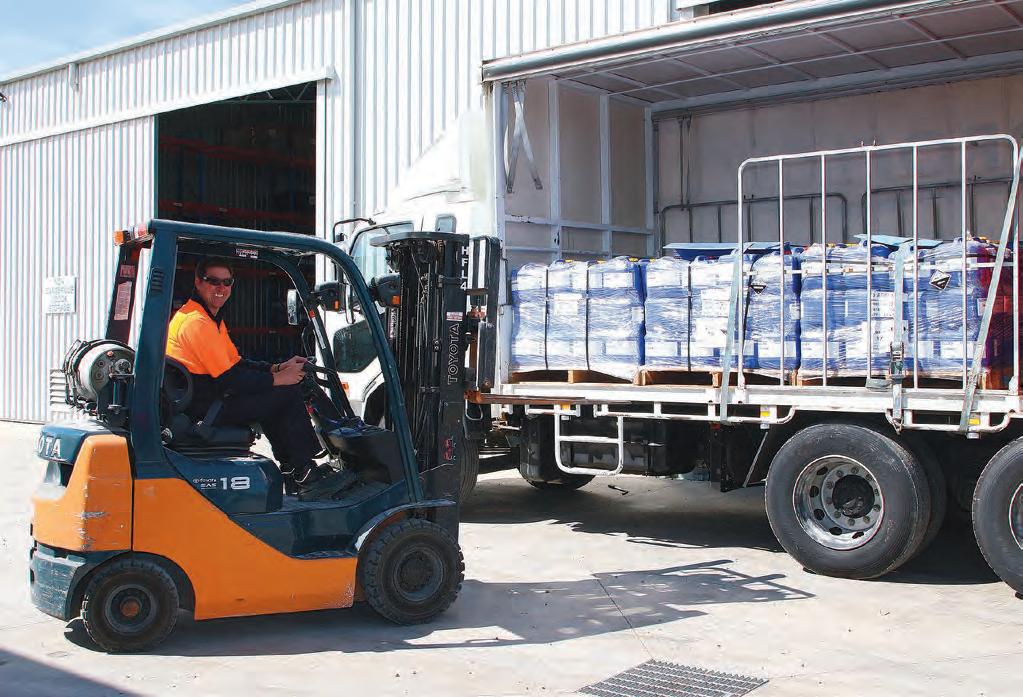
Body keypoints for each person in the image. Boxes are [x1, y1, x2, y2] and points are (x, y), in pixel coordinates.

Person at [165, 256, 344, 496]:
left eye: (227, 282)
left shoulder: (206, 317)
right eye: (213, 281)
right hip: (206, 410)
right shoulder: (196, 323)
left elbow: (236, 363)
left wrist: (276, 369)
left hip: (208, 401)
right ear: (198, 282)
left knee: (273, 396)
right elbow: (230, 379)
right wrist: (278, 380)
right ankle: (305, 473)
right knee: (286, 394)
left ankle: (294, 471)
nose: (221, 288)